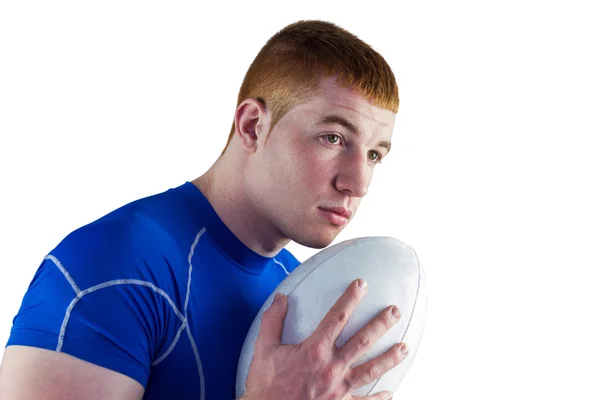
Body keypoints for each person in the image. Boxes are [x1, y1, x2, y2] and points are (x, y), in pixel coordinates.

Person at [0, 20, 408, 399]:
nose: (359, 183)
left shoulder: (295, 285)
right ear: (252, 126)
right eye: (333, 138)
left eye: (374, 154)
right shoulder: (112, 265)